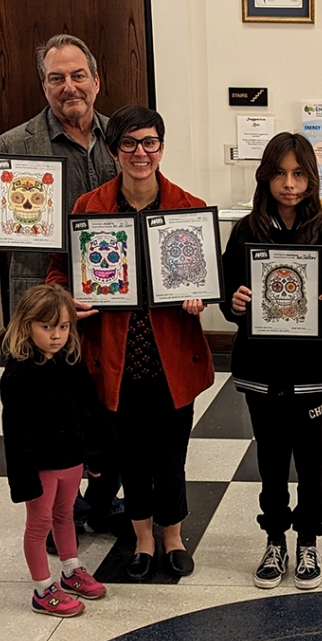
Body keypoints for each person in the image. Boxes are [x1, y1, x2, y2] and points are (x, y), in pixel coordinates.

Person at [0, 33, 123, 546]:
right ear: (44, 86)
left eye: (78, 75)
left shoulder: (121, 137)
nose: (69, 86)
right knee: (50, 411)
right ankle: (61, 515)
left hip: (108, 296)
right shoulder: (14, 145)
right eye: (57, 78)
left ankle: (103, 501)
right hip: (41, 303)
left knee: (107, 404)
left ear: (96, 81)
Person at [46, 105, 214, 582]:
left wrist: (199, 295)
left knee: (171, 457)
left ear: (162, 147)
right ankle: (143, 538)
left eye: (150, 142)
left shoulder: (188, 207)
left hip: (171, 356)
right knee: (132, 458)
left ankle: (173, 535)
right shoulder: (88, 208)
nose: (141, 153)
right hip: (115, 356)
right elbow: (60, 270)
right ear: (113, 149)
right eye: (129, 143)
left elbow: (204, 274)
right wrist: (67, 298)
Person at [221, 132, 322, 590]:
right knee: (271, 459)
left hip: (312, 372)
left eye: (299, 174)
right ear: (265, 176)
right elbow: (226, 296)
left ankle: (308, 540)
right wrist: (235, 303)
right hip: (262, 370)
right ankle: (275, 538)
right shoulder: (245, 231)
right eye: (280, 173)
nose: (289, 184)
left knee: (312, 462)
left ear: (312, 178)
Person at [0, 284, 109, 617]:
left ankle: (71, 569)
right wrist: (24, 479)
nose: (56, 335)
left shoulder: (70, 361)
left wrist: (92, 453)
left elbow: (86, 411)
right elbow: (15, 432)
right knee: (39, 524)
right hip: (41, 465)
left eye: (63, 326)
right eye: (46, 327)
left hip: (71, 459)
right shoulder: (18, 373)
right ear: (27, 325)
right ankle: (43, 588)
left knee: (65, 516)